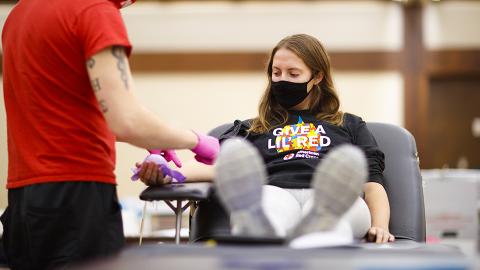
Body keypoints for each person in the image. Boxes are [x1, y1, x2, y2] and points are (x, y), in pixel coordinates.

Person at [0, 0, 219, 269]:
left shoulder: (20, 13)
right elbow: (126, 121)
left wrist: (156, 136)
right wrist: (195, 140)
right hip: (76, 198)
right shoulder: (95, 11)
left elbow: (60, 116)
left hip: (24, 201)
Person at [136, 34, 395, 245]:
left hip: (334, 197)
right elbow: (220, 167)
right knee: (266, 208)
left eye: (293, 74)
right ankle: (266, 232)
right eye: (277, 72)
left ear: (317, 77)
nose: (282, 80)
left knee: (335, 213)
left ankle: (320, 229)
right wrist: (166, 172)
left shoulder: (349, 124)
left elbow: (372, 182)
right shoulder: (253, 128)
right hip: (274, 192)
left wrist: (380, 226)